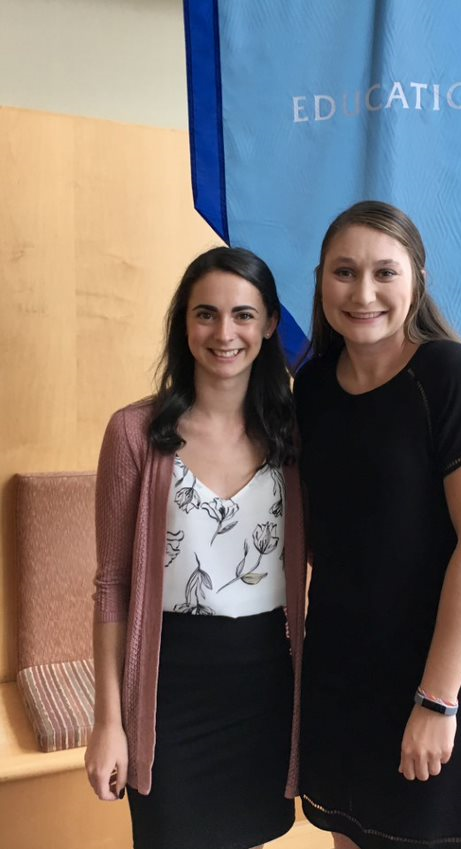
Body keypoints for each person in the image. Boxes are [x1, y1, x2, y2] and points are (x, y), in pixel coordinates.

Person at [294, 201, 461, 849]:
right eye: (343, 271)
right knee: (351, 834)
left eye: (383, 272)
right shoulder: (309, 389)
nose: (362, 292)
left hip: (435, 671)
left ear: (415, 279)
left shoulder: (449, 375)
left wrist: (437, 699)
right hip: (342, 672)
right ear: (320, 280)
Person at [85, 246, 306, 849]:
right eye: (205, 313)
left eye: (243, 314)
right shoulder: (134, 432)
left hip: (265, 686)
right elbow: (113, 583)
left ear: (268, 325)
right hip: (167, 690)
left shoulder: (296, 433)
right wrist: (109, 721)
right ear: (183, 324)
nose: (224, 332)